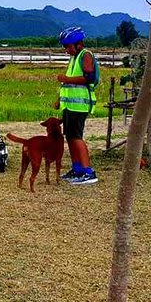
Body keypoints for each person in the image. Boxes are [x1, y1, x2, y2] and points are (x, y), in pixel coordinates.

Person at [55, 26, 99, 185]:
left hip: (79, 107)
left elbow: (88, 78)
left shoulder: (85, 55)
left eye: (67, 47)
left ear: (77, 44)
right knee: (70, 137)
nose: (66, 50)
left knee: (77, 138)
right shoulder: (74, 57)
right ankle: (77, 168)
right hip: (69, 106)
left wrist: (65, 79)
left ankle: (88, 172)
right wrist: (59, 99)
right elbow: (69, 81)